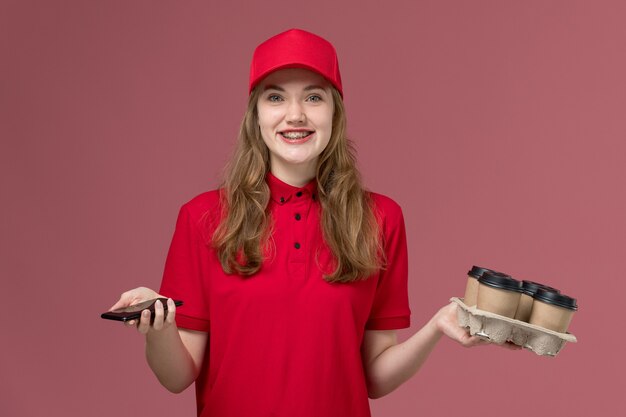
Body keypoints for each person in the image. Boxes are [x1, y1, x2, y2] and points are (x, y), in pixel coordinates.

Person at [109, 28, 511, 417]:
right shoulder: (202, 217)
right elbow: (176, 377)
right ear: (256, 115)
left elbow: (375, 376)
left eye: (314, 97)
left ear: (335, 111)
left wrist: (436, 327)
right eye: (276, 97)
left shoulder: (380, 219)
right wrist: (159, 325)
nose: (295, 115)